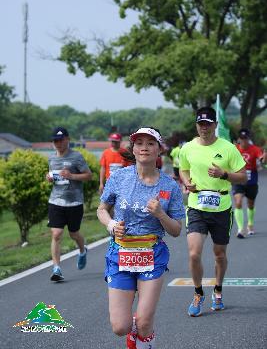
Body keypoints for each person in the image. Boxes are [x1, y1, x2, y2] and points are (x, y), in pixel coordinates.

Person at [97, 127, 185, 349]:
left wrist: (160, 214)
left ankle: (144, 336)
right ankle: (132, 334)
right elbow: (101, 209)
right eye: (139, 143)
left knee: (145, 323)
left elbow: (176, 230)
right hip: (121, 254)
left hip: (152, 254)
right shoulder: (118, 177)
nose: (144, 147)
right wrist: (111, 225)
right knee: (120, 326)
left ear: (159, 150)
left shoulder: (169, 185)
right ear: (133, 149)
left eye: (150, 143)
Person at [179, 107, 246, 317]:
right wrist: (186, 182)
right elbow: (183, 168)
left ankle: (218, 289)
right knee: (193, 253)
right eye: (201, 124)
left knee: (219, 254)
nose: (204, 128)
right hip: (197, 205)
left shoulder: (228, 148)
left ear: (215, 125)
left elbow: (243, 176)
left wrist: (224, 174)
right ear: (196, 125)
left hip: (221, 207)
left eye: (208, 124)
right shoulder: (188, 148)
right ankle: (198, 293)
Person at [46, 127, 92, 282]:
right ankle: (56, 269)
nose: (57, 143)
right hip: (56, 201)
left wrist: (71, 175)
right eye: (55, 141)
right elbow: (54, 176)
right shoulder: (51, 159)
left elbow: (88, 175)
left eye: (60, 140)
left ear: (67, 139)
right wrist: (50, 178)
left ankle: (82, 250)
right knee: (56, 233)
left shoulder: (76, 157)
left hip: (74, 202)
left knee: (74, 234)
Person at [233, 128, 266, 238]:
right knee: (238, 202)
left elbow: (261, 160)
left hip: (251, 180)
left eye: (245, 139)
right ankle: (240, 229)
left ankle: (250, 224)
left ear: (248, 139)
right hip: (238, 180)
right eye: (242, 139)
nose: (243, 141)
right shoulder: (235, 149)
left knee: (250, 204)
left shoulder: (255, 149)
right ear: (239, 139)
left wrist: (264, 159)